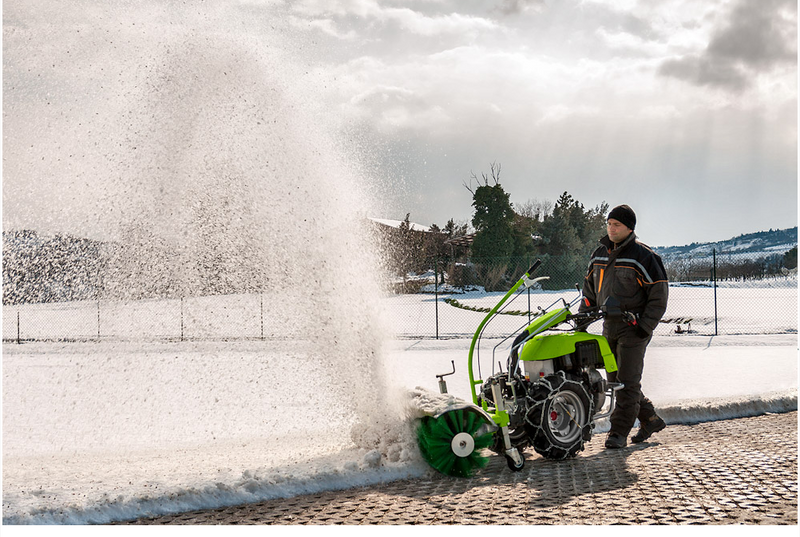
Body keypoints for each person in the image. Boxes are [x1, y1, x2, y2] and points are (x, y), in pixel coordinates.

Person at [579, 204, 669, 448]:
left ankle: (617, 433)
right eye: (609, 224)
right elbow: (589, 291)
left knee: (627, 382)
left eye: (616, 224)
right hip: (609, 326)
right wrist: (582, 319)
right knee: (616, 380)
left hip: (634, 327)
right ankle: (649, 419)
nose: (611, 228)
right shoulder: (599, 254)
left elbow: (659, 297)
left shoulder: (644, 257)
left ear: (629, 228)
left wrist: (644, 327)